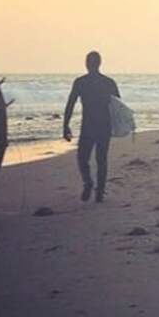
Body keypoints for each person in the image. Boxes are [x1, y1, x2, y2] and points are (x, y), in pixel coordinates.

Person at [63, 51, 120, 203]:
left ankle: (88, 182)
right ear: (99, 63)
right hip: (104, 125)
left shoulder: (80, 82)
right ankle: (99, 192)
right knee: (101, 159)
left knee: (82, 158)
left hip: (88, 125)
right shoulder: (108, 82)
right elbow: (118, 107)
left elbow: (70, 104)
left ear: (87, 64)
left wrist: (65, 125)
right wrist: (119, 126)